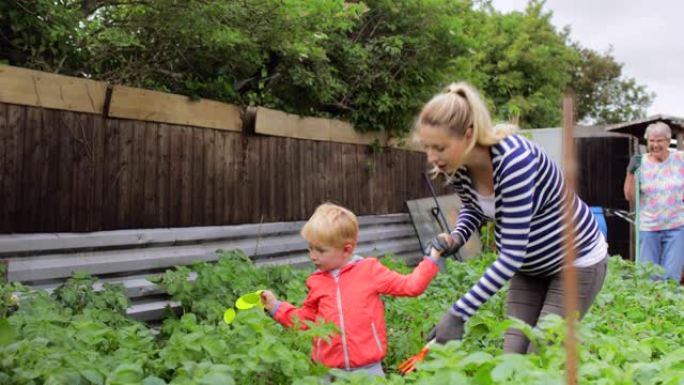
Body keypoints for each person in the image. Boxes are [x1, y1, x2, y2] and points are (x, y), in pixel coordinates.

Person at [415, 82, 608, 353]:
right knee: (512, 359)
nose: (432, 158)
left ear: (468, 135)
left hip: (576, 262)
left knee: (540, 357)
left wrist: (458, 314)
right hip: (529, 269)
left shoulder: (515, 161)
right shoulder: (458, 168)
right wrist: (458, 236)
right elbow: (475, 207)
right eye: (427, 148)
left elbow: (511, 255)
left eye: (439, 147)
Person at [260, 202, 443, 377]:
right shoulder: (316, 281)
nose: (312, 256)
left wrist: (433, 256)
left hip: (368, 370)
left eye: (321, 250)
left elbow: (411, 286)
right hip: (328, 372)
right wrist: (276, 307)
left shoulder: (369, 270)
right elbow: (305, 321)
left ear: (346, 250)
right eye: (310, 248)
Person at [623, 122, 684, 282]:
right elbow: (630, 197)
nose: (655, 145)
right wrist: (630, 173)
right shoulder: (640, 162)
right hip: (648, 227)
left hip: (677, 226)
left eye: (660, 140)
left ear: (668, 140)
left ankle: (669, 307)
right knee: (648, 276)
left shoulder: (680, 158)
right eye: (651, 141)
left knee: (671, 276)